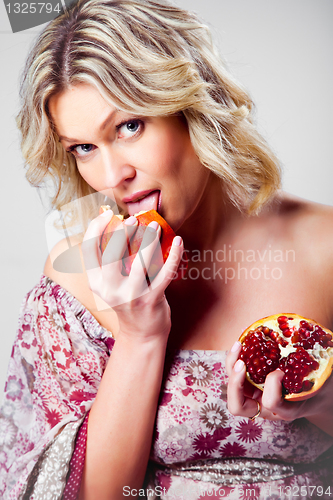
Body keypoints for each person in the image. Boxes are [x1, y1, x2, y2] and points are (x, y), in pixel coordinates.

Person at [1, 0, 333, 498]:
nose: (113, 177)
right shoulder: (77, 278)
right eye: (83, 148)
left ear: (193, 107)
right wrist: (139, 336)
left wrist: (322, 404)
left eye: (129, 126)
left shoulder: (323, 246)